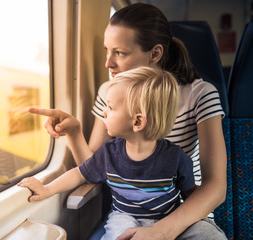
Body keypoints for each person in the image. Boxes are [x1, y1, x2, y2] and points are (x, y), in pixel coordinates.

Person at [27, 3, 227, 240]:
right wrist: (74, 131)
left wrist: (161, 232)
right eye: (106, 50)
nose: (107, 63)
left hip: (181, 212)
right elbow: (95, 166)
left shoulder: (200, 94)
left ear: (155, 54)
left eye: (119, 52)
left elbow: (214, 186)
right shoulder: (108, 91)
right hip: (129, 215)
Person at [19, 67, 197, 239]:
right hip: (125, 217)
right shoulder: (109, 152)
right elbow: (79, 173)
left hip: (167, 220)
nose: (104, 112)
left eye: (111, 108)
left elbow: (191, 194)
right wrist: (48, 189)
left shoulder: (175, 158)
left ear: (137, 122)